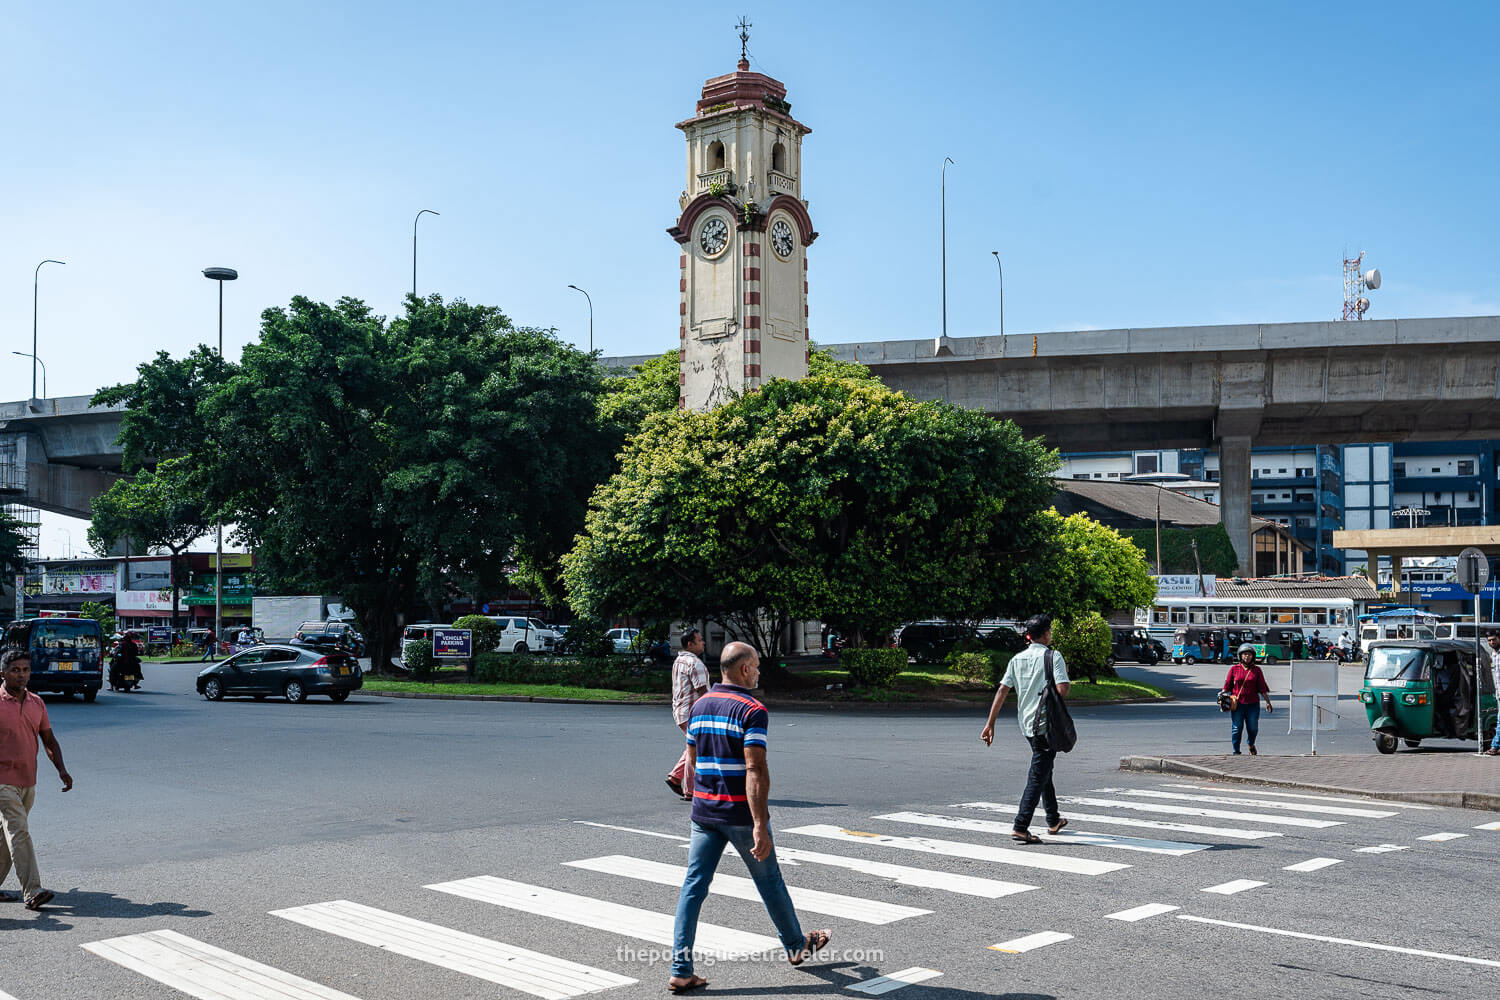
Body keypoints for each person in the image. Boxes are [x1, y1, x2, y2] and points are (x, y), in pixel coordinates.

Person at [669, 641, 830, 993]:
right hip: (740, 813)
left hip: (704, 814)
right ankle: (795, 945)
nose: (758, 671)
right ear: (744, 670)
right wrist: (760, 825)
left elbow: (692, 760)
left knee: (693, 888)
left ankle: (681, 969)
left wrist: (697, 796)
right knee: (769, 880)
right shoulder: (752, 710)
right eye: (756, 666)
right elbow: (755, 768)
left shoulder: (700, 706)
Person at [979, 614, 1071, 845]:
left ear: (1029, 636)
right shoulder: (1053, 656)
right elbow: (1063, 689)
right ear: (1047, 633)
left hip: (1027, 725)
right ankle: (1021, 826)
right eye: (1050, 631)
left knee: (1044, 769)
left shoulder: (1017, 659)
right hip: (1045, 725)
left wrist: (990, 723)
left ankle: (1053, 819)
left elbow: (1002, 690)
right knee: (1038, 773)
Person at [0, 648, 73, 910]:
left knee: (6, 836)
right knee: (19, 831)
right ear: (3, 673)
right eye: (15, 670)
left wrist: (61, 769)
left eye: (25, 670)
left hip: (28, 779)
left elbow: (48, 739)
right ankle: (32, 891)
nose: (21, 675)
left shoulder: (36, 703)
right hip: (2, 781)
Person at [666, 628, 709, 800]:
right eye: (699, 640)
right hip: (693, 713)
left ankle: (676, 777)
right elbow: (703, 692)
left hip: (680, 711)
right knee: (695, 748)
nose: (703, 643)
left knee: (694, 745)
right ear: (690, 644)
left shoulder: (679, 660)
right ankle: (690, 790)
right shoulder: (695, 663)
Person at [1223, 643, 1274, 755]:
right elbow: (1227, 686)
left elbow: (1262, 688)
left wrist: (1268, 702)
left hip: (1253, 704)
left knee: (1253, 728)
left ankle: (1251, 744)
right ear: (1240, 656)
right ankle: (1236, 751)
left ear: (1253, 656)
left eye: (1249, 654)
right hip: (1237, 704)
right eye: (1245, 654)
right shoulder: (1234, 669)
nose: (1247, 656)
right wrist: (1222, 695)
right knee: (1237, 728)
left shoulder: (1257, 670)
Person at [1483, 633, 1500, 757]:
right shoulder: (1493, 655)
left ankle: (1495, 746)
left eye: (1494, 640)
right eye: (1489, 641)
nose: (1491, 643)